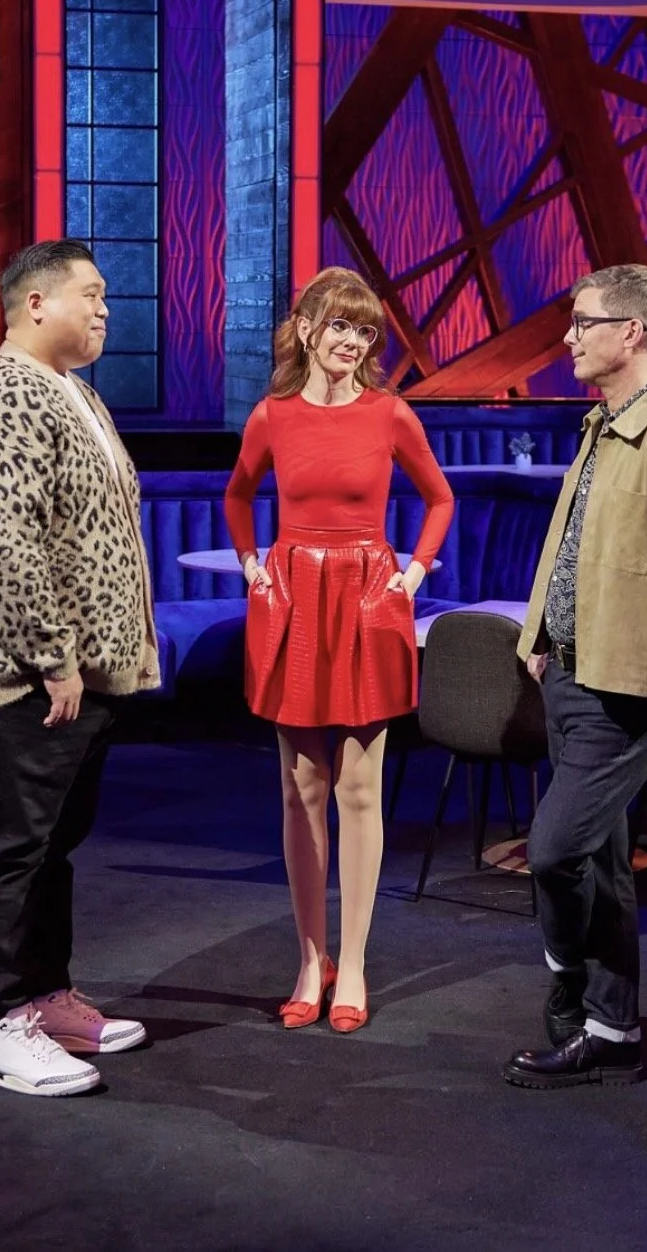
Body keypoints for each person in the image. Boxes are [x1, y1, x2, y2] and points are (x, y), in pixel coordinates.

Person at [0, 239, 160, 1097]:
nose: (105, 309)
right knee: (14, 849)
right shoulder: (1, 392)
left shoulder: (70, 390)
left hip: (77, 676)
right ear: (35, 303)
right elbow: (0, 539)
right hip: (27, 677)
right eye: (90, 294)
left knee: (53, 846)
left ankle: (45, 995)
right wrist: (53, 656)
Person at [503, 263, 647, 1089]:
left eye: (583, 322)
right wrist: (540, 633)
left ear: (631, 331)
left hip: (629, 687)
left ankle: (570, 990)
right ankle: (611, 1027)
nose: (569, 337)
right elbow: (571, 541)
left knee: (554, 850)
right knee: (598, 859)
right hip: (574, 670)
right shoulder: (606, 422)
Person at [224, 267, 454, 1032]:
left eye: (364, 330)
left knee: (359, 787)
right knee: (301, 788)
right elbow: (237, 494)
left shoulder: (390, 413)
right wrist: (253, 566)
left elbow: (440, 496)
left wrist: (410, 576)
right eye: (340, 326)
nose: (353, 341)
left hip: (365, 600)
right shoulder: (272, 415)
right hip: (295, 600)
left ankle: (351, 961)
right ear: (306, 328)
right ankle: (308, 957)